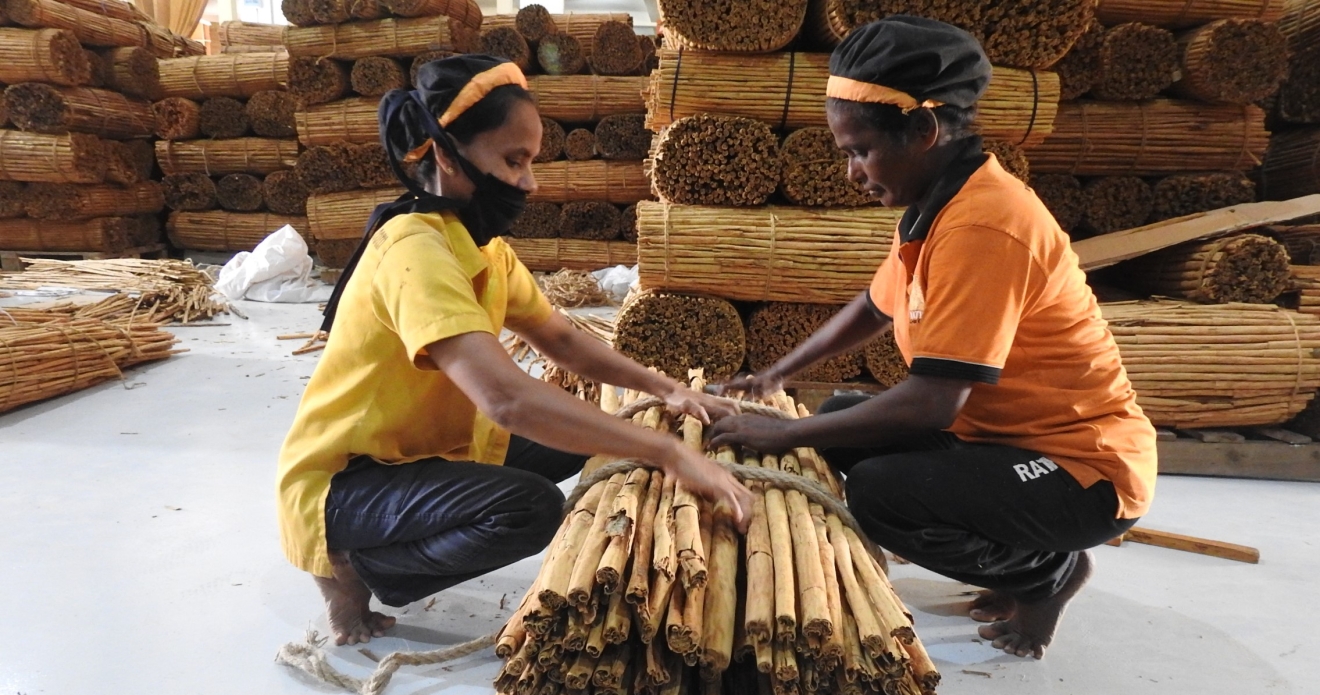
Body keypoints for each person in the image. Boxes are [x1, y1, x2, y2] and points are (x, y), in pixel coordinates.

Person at [709, 18, 1157, 659]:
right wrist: (775, 375)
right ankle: (1020, 559)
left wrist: (785, 432)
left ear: (923, 131)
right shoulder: (938, 202)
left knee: (883, 492)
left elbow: (933, 402)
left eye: (859, 150)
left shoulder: (986, 225)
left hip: (1083, 469)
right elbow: (874, 305)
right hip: (1000, 438)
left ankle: (1047, 574)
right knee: (842, 418)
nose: (851, 173)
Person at [277, 55, 752, 646]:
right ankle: (353, 567)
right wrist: (668, 453)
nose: (529, 182)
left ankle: (385, 543)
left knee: (579, 438)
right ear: (446, 155)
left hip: (428, 448)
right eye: (512, 160)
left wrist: (668, 389)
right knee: (526, 507)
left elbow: (560, 338)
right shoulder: (413, 251)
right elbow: (504, 399)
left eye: (530, 162)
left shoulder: (481, 247)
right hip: (350, 480)